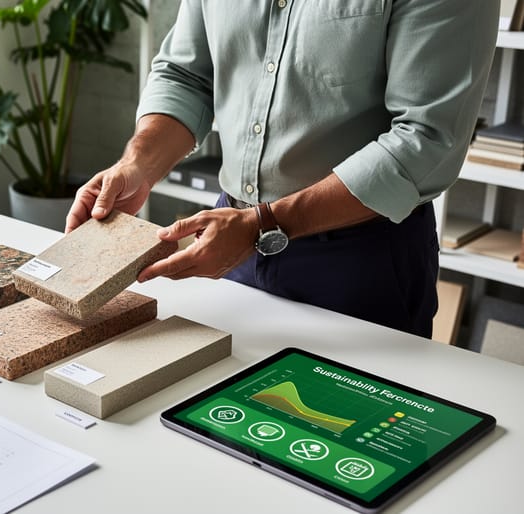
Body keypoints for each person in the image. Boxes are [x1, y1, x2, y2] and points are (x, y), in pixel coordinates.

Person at [65, 0, 500, 338]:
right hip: (228, 242)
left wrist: (265, 224)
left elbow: (425, 138)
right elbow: (187, 76)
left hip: (360, 261)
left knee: (344, 441)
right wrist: (138, 164)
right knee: (211, 425)